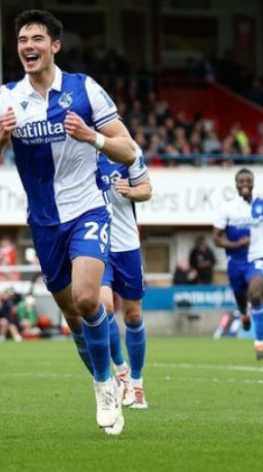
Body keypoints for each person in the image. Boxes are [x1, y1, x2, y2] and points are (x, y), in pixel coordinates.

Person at [0, 9, 137, 434]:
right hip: (45, 223)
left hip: (88, 208)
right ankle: (104, 374)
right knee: (73, 317)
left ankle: (106, 386)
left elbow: (129, 150)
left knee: (89, 299)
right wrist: (1, 142)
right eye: (23, 39)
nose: (28, 46)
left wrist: (93, 137)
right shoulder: (6, 99)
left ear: (54, 46)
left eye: (37, 39)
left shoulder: (85, 89)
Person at [97, 140, 152, 410]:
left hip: (127, 245)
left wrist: (130, 191)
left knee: (133, 315)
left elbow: (147, 190)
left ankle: (139, 384)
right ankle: (123, 374)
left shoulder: (129, 151)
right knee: (104, 308)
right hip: (97, 244)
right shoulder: (80, 155)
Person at [212, 168, 263, 361]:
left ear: (253, 183)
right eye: (241, 181)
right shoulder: (227, 208)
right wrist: (236, 244)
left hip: (257, 257)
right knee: (242, 299)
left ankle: (260, 346)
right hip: (235, 261)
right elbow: (216, 239)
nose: (244, 184)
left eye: (248, 181)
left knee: (256, 294)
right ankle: (244, 312)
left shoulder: (262, 204)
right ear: (236, 185)